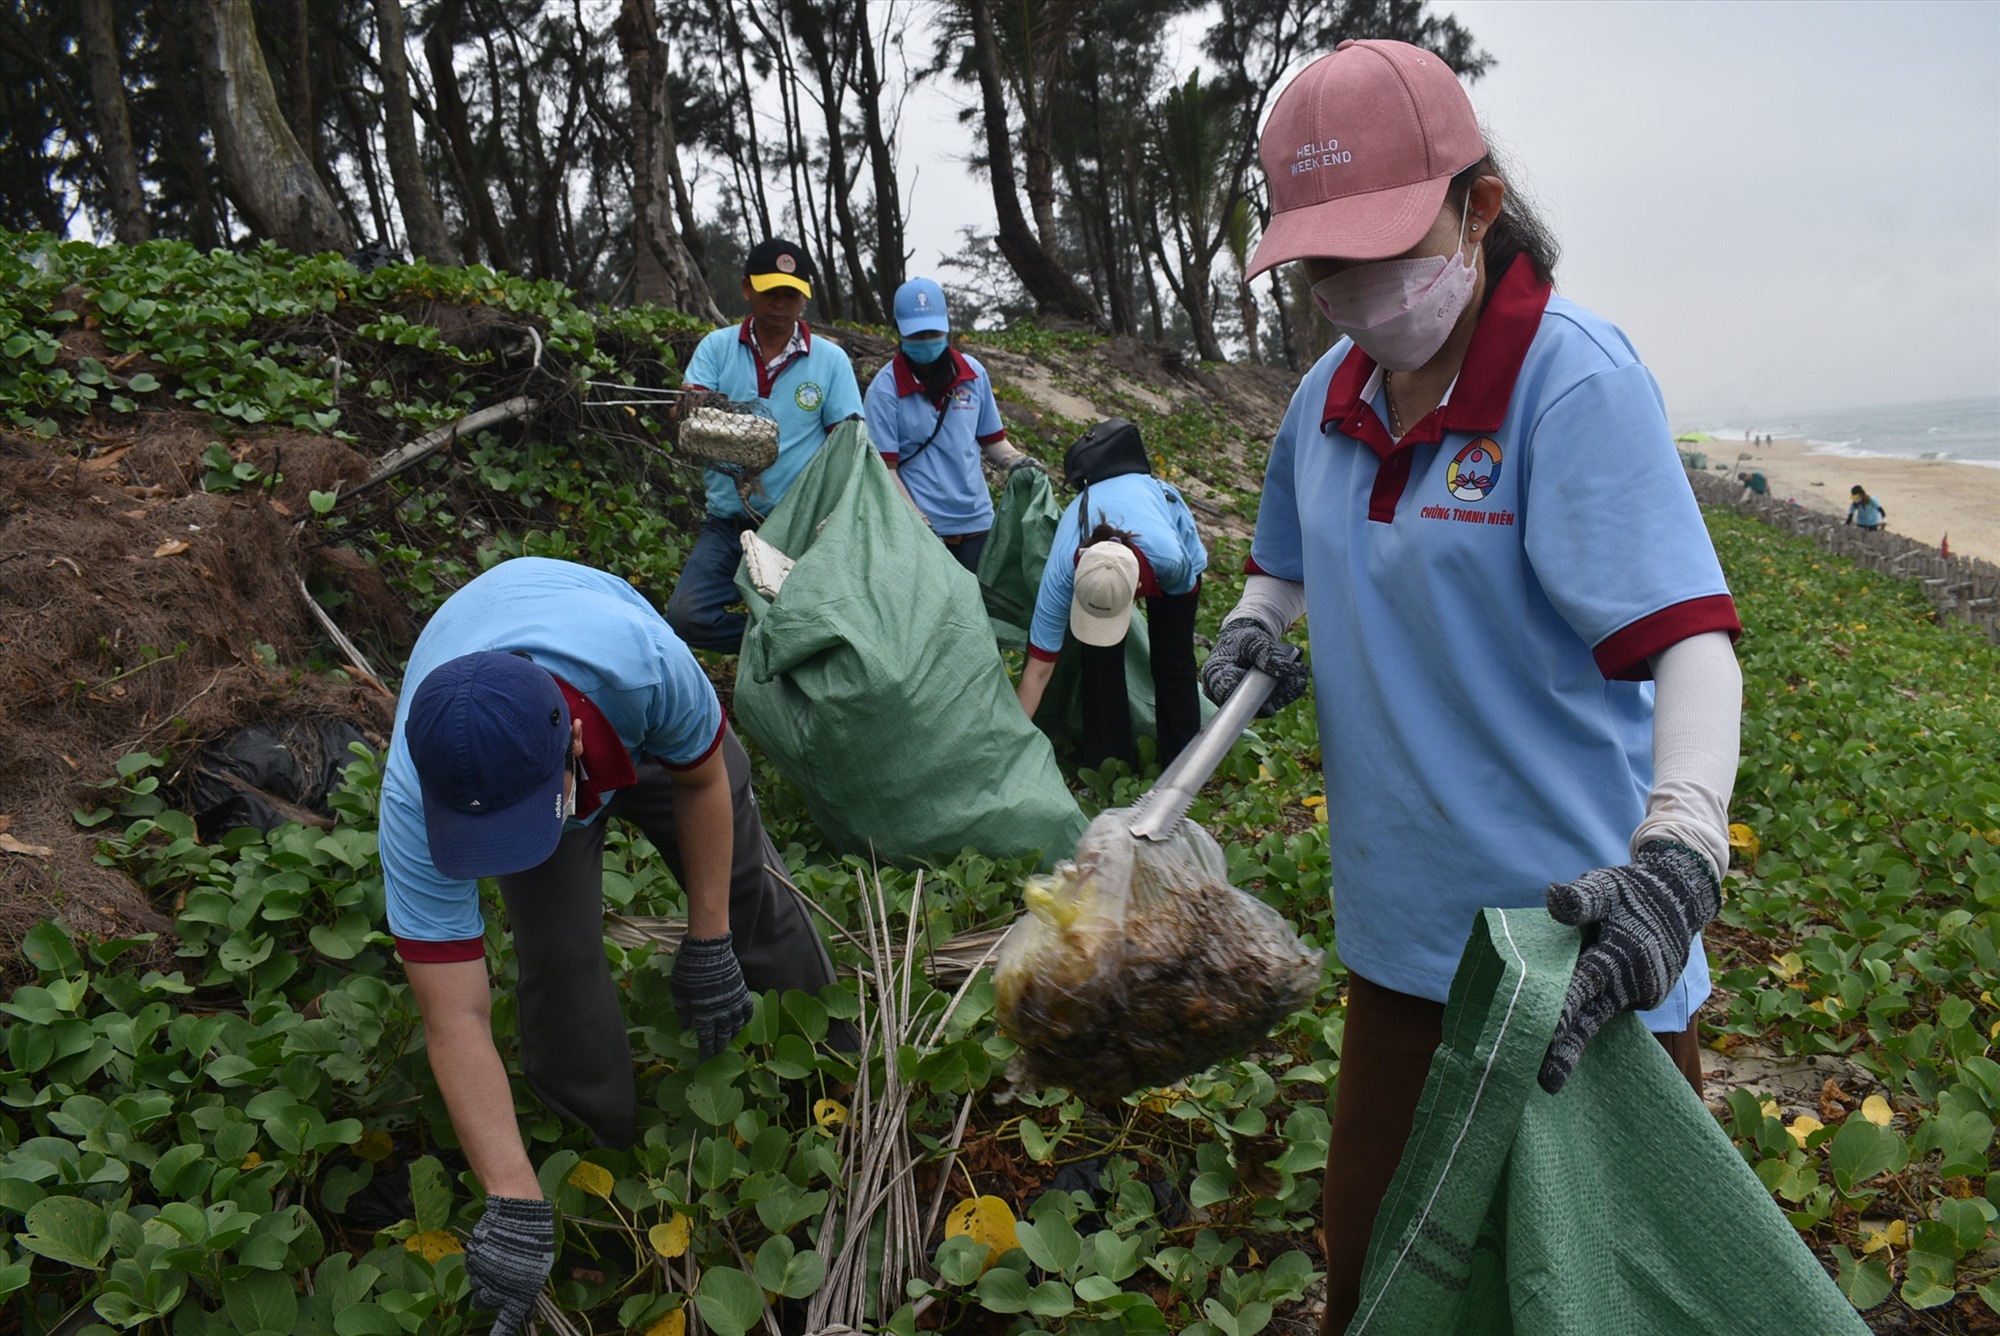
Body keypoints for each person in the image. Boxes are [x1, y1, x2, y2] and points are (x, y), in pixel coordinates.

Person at [1197, 40, 1743, 1333]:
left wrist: (1679, 855)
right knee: (1379, 1271)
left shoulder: (1573, 386)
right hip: (1400, 940)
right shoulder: (1325, 401)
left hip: (1583, 952)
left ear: (1479, 205)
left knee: (1608, 1290)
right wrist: (1248, 635)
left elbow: (1691, 643)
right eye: (1326, 263)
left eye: (1385, 248)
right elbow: (1284, 571)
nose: (1358, 289)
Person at [379, 557, 839, 1335]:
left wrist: (709, 938)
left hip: (641, 731)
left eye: (523, 818)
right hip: (512, 752)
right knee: (560, 968)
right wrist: (513, 1194)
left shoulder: (641, 665)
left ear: (576, 743)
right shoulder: (417, 799)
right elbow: (453, 1016)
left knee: (747, 888)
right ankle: (602, 1169)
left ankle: (832, 1061)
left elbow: (702, 786)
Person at [665, 238, 863, 652]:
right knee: (687, 616)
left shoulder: (830, 361)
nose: (780, 302)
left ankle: (789, 651)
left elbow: (848, 443)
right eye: (770, 290)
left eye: (791, 293)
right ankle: (780, 645)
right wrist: (687, 408)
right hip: (728, 522)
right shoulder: (717, 348)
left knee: (819, 609)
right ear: (747, 289)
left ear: (804, 298)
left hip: (798, 527)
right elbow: (687, 415)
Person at [1016, 418, 1207, 771]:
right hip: (1110, 550)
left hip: (1165, 544)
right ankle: (1109, 764)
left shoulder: (1170, 558)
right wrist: (1010, 748)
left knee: (1172, 662)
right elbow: (1037, 672)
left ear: (1137, 590)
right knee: (1098, 664)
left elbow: (1183, 593)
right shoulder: (1062, 572)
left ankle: (1185, 766)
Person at [864, 276, 1034, 572]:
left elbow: (992, 439)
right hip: (922, 529)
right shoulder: (884, 389)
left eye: (933, 331)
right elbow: (885, 469)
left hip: (978, 523)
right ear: (899, 332)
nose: (927, 340)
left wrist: (1017, 461)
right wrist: (917, 520)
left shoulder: (973, 374)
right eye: (917, 335)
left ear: (946, 326)